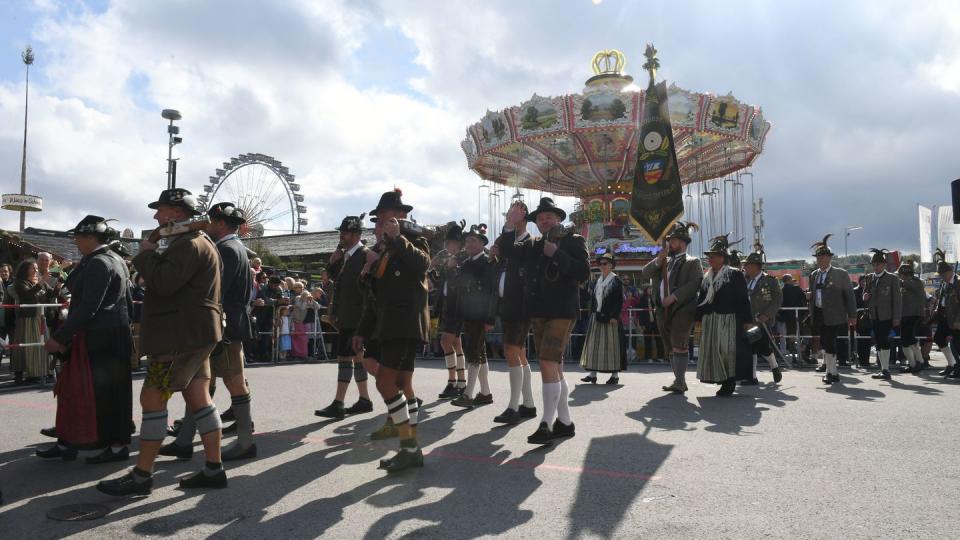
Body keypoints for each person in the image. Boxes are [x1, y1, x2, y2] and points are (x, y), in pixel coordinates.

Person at [97, 188, 225, 496]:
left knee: (152, 399)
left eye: (161, 210)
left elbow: (165, 284)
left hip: (179, 338)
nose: (156, 215)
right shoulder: (200, 241)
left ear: (176, 214)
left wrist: (145, 253)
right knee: (199, 398)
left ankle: (142, 476)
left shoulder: (188, 244)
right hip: (196, 335)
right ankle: (213, 468)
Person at [161, 202, 258, 462]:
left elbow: (216, 290)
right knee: (204, 383)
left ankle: (246, 442)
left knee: (233, 382)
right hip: (229, 323)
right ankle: (184, 441)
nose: (209, 225)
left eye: (213, 221)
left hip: (223, 326)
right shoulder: (235, 248)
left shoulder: (226, 249)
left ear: (222, 223)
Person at [37, 216, 133, 464]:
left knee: (101, 395)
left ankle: (112, 445)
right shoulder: (112, 260)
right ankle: (73, 440)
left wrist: (59, 337)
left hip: (101, 336)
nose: (76, 240)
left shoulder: (100, 262)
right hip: (111, 333)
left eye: (79, 236)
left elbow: (89, 306)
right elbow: (126, 303)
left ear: (92, 237)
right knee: (92, 392)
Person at [498, 198, 590, 445]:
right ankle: (565, 422)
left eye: (548, 216)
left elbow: (583, 273)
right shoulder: (534, 244)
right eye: (539, 218)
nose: (544, 220)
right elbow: (507, 252)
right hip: (538, 312)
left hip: (561, 311)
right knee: (554, 366)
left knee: (548, 362)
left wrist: (557, 254)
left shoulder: (573, 240)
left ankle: (546, 424)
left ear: (558, 218)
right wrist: (509, 224)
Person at [353, 188, 430, 473]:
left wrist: (398, 238)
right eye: (378, 220)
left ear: (400, 217)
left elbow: (423, 265)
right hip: (389, 325)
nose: (379, 224)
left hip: (405, 323)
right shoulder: (380, 251)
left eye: (385, 218)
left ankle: (410, 447)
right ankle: (410, 447)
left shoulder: (413, 239)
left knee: (385, 383)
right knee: (403, 385)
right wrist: (362, 330)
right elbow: (373, 298)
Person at [315, 214, 375, 419]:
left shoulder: (365, 255)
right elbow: (330, 280)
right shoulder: (345, 256)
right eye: (341, 232)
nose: (342, 236)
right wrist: (332, 262)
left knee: (346, 357)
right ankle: (364, 399)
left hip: (357, 316)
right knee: (356, 358)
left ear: (357, 234)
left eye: (347, 232)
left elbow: (367, 289)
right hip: (346, 316)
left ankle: (339, 403)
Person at [640, 221, 704, 394]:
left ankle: (680, 381)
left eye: (673, 241)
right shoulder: (664, 261)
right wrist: (659, 259)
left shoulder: (693, 262)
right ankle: (678, 380)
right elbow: (645, 273)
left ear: (683, 243)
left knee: (679, 344)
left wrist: (674, 297)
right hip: (662, 309)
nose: (670, 244)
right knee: (670, 345)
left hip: (682, 308)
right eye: (670, 241)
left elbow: (695, 283)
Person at [491, 227, 538, 425]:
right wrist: (494, 255)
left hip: (520, 306)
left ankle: (513, 407)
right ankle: (528, 404)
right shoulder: (506, 252)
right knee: (518, 353)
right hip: (508, 307)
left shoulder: (527, 244)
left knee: (511, 350)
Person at [695, 235, 752, 396]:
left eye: (712, 257)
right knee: (713, 351)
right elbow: (702, 299)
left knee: (727, 351)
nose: (709, 259)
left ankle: (730, 381)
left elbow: (743, 299)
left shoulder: (734, 275)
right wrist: (698, 317)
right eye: (708, 257)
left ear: (722, 258)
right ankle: (720, 378)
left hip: (729, 318)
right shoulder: (707, 276)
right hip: (711, 319)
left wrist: (747, 321)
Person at [450, 224, 499, 408]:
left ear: (481, 243)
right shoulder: (467, 263)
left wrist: (489, 318)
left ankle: (468, 394)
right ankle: (485, 392)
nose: (468, 244)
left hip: (480, 315)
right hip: (469, 314)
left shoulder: (487, 262)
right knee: (480, 354)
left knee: (473, 352)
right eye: (467, 240)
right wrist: (452, 268)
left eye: (473, 240)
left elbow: (492, 292)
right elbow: (456, 285)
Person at [807, 235, 857, 385]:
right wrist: (810, 296)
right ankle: (832, 372)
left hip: (835, 314)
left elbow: (849, 295)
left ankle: (831, 372)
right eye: (818, 257)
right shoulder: (814, 275)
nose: (820, 259)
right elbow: (814, 293)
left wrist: (852, 315)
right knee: (825, 342)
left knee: (830, 342)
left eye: (823, 257)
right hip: (819, 313)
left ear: (830, 258)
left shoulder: (840, 273)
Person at [433, 221, 468, 399]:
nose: (447, 245)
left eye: (450, 242)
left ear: (458, 243)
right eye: (447, 242)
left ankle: (452, 381)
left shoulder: (463, 257)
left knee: (445, 342)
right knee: (455, 343)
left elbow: (463, 282)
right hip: (448, 306)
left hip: (458, 307)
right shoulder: (449, 258)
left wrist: (452, 266)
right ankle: (460, 382)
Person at [579, 250, 624, 384]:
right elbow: (593, 299)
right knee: (593, 346)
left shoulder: (616, 280)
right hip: (596, 317)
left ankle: (615, 375)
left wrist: (614, 316)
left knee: (611, 347)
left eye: (605, 263)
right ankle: (592, 374)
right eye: (601, 263)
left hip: (610, 318)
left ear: (611, 265)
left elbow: (619, 301)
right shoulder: (598, 280)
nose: (602, 265)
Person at [742, 245, 784, 384]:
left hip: (762, 320)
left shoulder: (770, 281)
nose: (745, 267)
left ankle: (766, 371)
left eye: (747, 265)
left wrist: (767, 314)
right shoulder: (744, 279)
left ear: (755, 266)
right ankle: (756, 375)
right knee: (753, 347)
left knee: (760, 347)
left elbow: (778, 299)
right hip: (748, 319)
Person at [10, 259, 56, 384]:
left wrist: (58, 286)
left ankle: (43, 371)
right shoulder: (20, 282)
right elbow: (27, 295)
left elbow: (51, 294)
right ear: (25, 270)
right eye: (33, 268)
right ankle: (29, 373)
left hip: (39, 316)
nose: (36, 270)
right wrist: (41, 282)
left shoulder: (39, 281)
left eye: (36, 268)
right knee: (29, 345)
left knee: (41, 344)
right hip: (27, 318)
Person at [863, 249, 902, 381]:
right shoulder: (869, 278)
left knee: (884, 340)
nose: (876, 267)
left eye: (878, 264)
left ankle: (885, 369)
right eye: (874, 264)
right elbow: (865, 294)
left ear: (884, 265)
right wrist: (865, 297)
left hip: (887, 315)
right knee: (878, 341)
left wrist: (896, 317)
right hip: (874, 315)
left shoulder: (892, 278)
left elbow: (897, 299)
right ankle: (883, 369)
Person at [931, 249, 960, 378]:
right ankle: (952, 364)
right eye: (940, 274)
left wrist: (958, 320)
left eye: (943, 273)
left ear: (950, 271)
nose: (941, 275)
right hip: (944, 317)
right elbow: (942, 298)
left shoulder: (958, 283)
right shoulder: (944, 283)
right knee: (938, 338)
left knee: (957, 345)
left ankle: (956, 368)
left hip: (955, 318)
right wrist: (937, 309)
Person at [898, 261, 926, 374]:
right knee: (905, 341)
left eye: (901, 274)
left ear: (906, 274)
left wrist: (897, 280)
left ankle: (919, 361)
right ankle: (912, 364)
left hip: (914, 315)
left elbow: (907, 284)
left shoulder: (917, 282)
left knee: (910, 339)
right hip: (905, 315)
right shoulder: (904, 282)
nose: (900, 276)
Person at [777, 274, 804, 362]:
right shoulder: (797, 289)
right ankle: (796, 354)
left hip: (783, 316)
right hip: (795, 316)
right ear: (789, 280)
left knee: (783, 335)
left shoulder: (780, 290)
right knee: (795, 335)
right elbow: (804, 299)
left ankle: (783, 352)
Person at [637, 286, 663, 362]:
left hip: (655, 321)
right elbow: (640, 313)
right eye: (649, 289)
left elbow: (658, 306)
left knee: (658, 339)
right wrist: (642, 324)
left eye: (651, 289)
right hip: (647, 322)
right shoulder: (642, 299)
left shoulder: (653, 298)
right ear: (646, 290)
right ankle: (648, 357)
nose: (650, 290)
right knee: (647, 340)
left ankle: (660, 356)